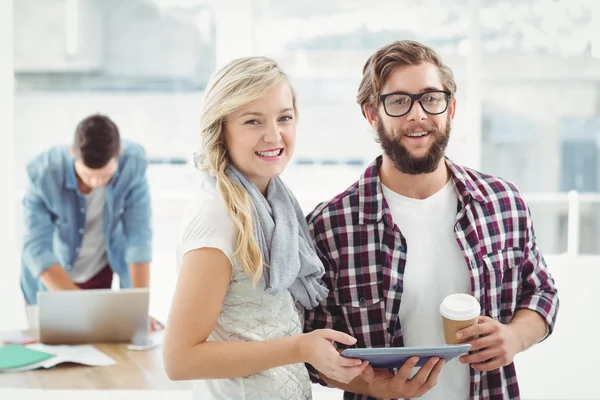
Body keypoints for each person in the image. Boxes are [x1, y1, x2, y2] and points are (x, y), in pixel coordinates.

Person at [304, 40, 559, 400]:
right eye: (398, 101)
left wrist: (515, 337)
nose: (417, 114)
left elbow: (542, 293)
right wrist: (374, 385)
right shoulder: (330, 227)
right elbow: (313, 349)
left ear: (450, 107)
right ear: (372, 114)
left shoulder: (503, 202)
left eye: (431, 98)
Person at [162, 56, 369, 400]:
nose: (274, 135)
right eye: (253, 121)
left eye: (284, 118)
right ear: (221, 128)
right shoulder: (218, 217)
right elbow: (178, 359)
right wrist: (300, 348)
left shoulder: (275, 206)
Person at [20, 114, 161, 330]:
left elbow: (139, 238)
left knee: (102, 347)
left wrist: (138, 311)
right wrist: (84, 308)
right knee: (53, 345)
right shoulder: (43, 173)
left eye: (104, 177)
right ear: (72, 153)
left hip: (99, 270)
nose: (96, 182)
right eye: (87, 175)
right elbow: (37, 250)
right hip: (54, 277)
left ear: (119, 153)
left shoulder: (133, 164)